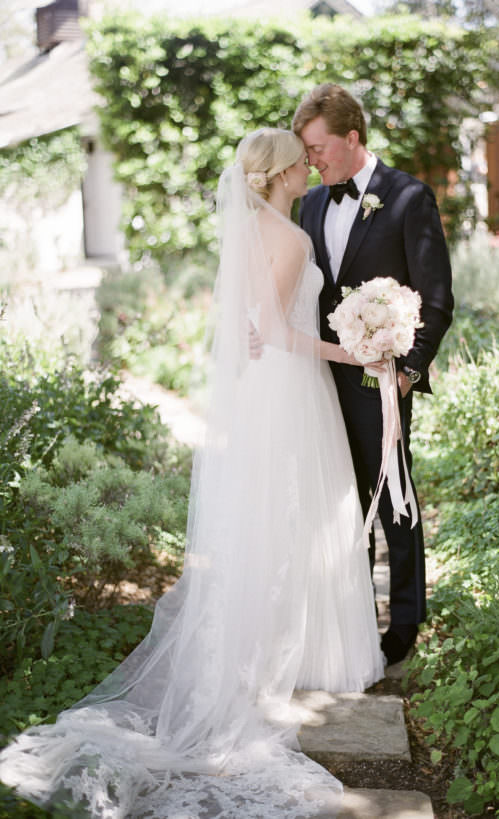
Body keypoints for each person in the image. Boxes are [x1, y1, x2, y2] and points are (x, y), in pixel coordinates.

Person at [0, 128, 384, 818]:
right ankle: (287, 653)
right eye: (299, 164)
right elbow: (279, 329)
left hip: (269, 388)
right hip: (294, 386)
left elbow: (252, 325)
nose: (307, 169)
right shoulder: (290, 239)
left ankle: (273, 644)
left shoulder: (255, 231)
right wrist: (357, 350)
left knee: (272, 515)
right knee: (294, 510)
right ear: (278, 175)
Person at [292, 84, 454, 666]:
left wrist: (406, 373)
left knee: (394, 500)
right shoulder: (310, 204)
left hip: (382, 381)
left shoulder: (409, 198)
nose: (312, 161)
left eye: (319, 148)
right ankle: (354, 620)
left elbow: (435, 298)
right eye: (307, 152)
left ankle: (405, 623)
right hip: (319, 379)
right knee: (338, 501)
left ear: (351, 137)